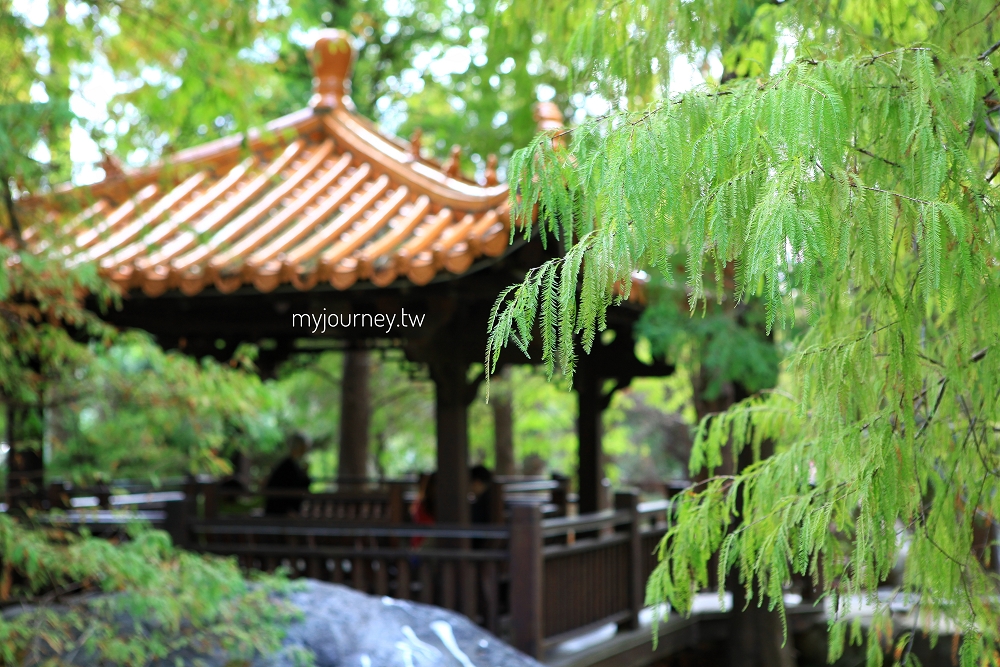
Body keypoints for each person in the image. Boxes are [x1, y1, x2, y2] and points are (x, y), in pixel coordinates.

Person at [263, 434, 311, 516]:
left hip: (282, 510)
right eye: (303, 447)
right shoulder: (287, 466)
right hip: (280, 512)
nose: (305, 450)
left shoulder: (291, 465)